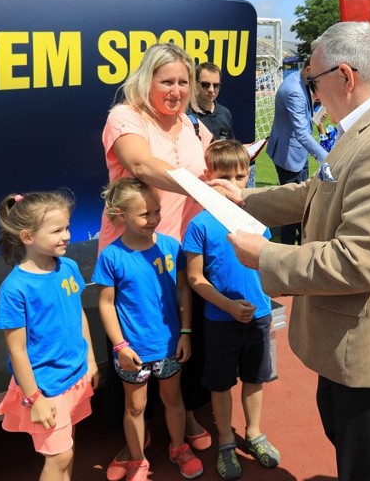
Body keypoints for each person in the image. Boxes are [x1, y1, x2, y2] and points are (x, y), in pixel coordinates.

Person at [220, 21, 370, 481]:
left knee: (367, 467)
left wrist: (264, 256)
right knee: (349, 448)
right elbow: (318, 191)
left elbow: (358, 260)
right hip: (352, 339)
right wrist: (243, 200)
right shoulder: (369, 125)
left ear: (345, 76)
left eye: (313, 82)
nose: (312, 93)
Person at [100, 42, 213, 478]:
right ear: (146, 81)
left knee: (182, 342)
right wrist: (202, 189)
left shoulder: (191, 124)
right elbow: (141, 165)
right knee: (132, 349)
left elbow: (206, 172)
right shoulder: (124, 117)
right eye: (167, 81)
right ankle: (134, 439)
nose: (177, 90)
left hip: (181, 251)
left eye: (184, 81)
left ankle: (184, 419)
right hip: (133, 254)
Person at [93, 178, 203, 481]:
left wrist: (186, 333)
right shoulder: (111, 257)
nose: (153, 219)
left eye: (156, 211)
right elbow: (106, 304)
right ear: (119, 217)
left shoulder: (170, 247)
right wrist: (120, 346)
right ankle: (138, 459)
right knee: (135, 407)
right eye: (144, 214)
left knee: (173, 399)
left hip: (169, 346)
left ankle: (179, 448)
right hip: (132, 352)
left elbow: (183, 290)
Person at [184, 140, 281, 480]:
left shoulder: (257, 220)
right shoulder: (199, 225)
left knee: (255, 379)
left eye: (241, 175)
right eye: (225, 175)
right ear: (208, 177)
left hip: (259, 318)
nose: (234, 183)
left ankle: (253, 433)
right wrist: (227, 305)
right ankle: (226, 440)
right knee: (221, 383)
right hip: (220, 321)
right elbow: (195, 278)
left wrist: (263, 308)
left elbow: (269, 264)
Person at [0, 191, 100, 481]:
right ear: (27, 237)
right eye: (56, 230)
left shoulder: (69, 267)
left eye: (67, 227)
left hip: (74, 376)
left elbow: (79, 316)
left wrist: (90, 360)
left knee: (67, 448)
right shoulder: (15, 289)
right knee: (59, 456)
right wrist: (33, 399)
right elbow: (17, 351)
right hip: (45, 388)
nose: (66, 235)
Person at [266, 58, 329, 244]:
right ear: (309, 68)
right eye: (318, 75)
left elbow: (302, 118)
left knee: (302, 203)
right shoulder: (294, 90)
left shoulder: (301, 79)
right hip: (288, 156)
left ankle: (301, 242)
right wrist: (327, 157)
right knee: (290, 208)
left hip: (297, 153)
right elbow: (301, 133)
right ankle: (287, 247)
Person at [191, 62, 235, 141]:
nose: (211, 90)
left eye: (216, 85)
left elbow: (229, 148)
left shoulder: (225, 113)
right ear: (194, 83)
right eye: (205, 85)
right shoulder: (185, 114)